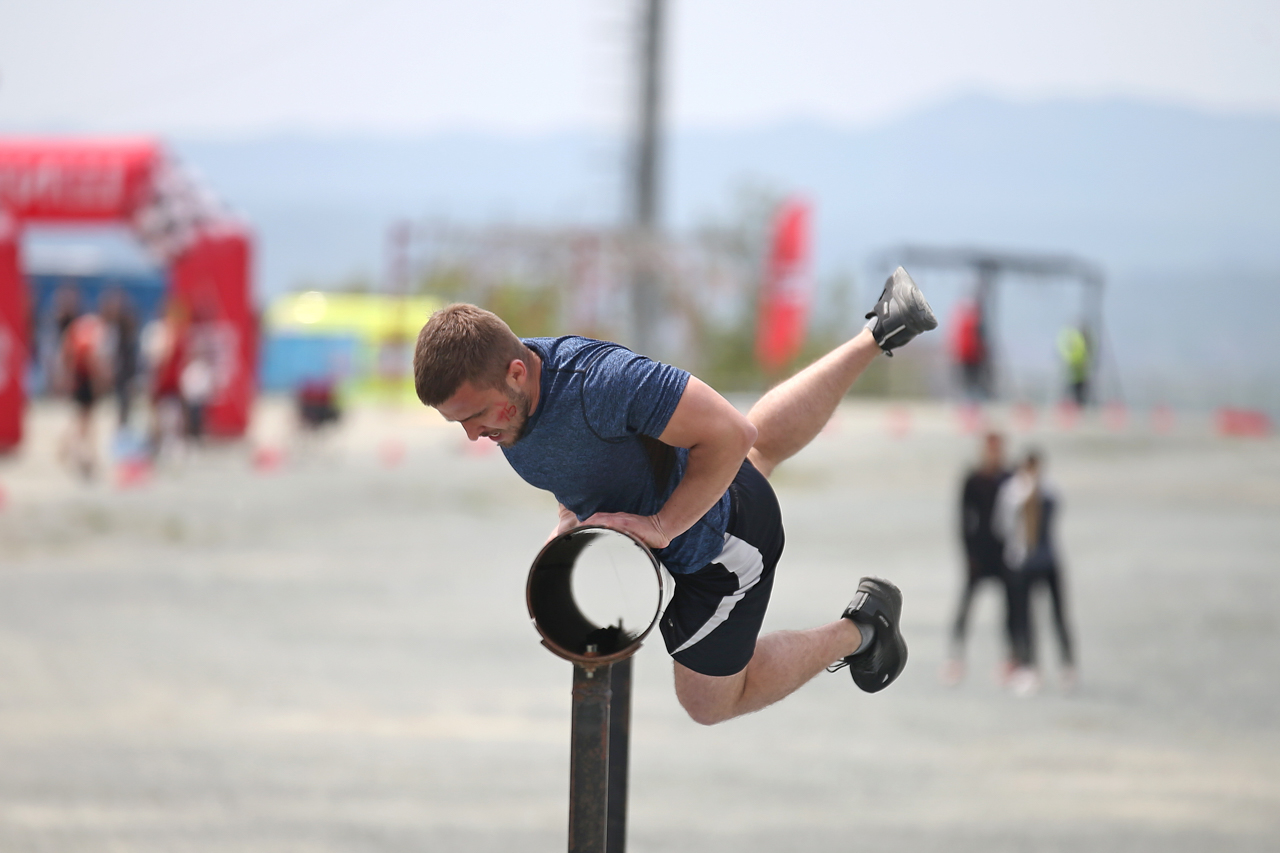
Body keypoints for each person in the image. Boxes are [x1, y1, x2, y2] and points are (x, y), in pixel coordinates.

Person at [412, 268, 937, 725]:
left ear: (516, 372)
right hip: (703, 491)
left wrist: (663, 526)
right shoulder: (515, 401)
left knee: (709, 703)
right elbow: (575, 465)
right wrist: (570, 516)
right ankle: (881, 329)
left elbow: (731, 434)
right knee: (752, 453)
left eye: (475, 417)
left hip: (724, 548)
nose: (472, 436)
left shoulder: (603, 383)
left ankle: (864, 628)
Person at [994, 450, 1076, 695]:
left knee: (1058, 615)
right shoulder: (1013, 492)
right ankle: (1028, 665)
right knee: (1024, 618)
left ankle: (1066, 664)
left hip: (1047, 559)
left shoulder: (1049, 489)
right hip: (1023, 561)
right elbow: (1002, 525)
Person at [941, 430, 1013, 686]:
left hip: (1005, 553)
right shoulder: (973, 479)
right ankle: (955, 658)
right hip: (979, 554)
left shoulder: (1010, 478)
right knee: (966, 606)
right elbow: (963, 520)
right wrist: (968, 555)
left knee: (1011, 609)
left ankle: (1010, 660)